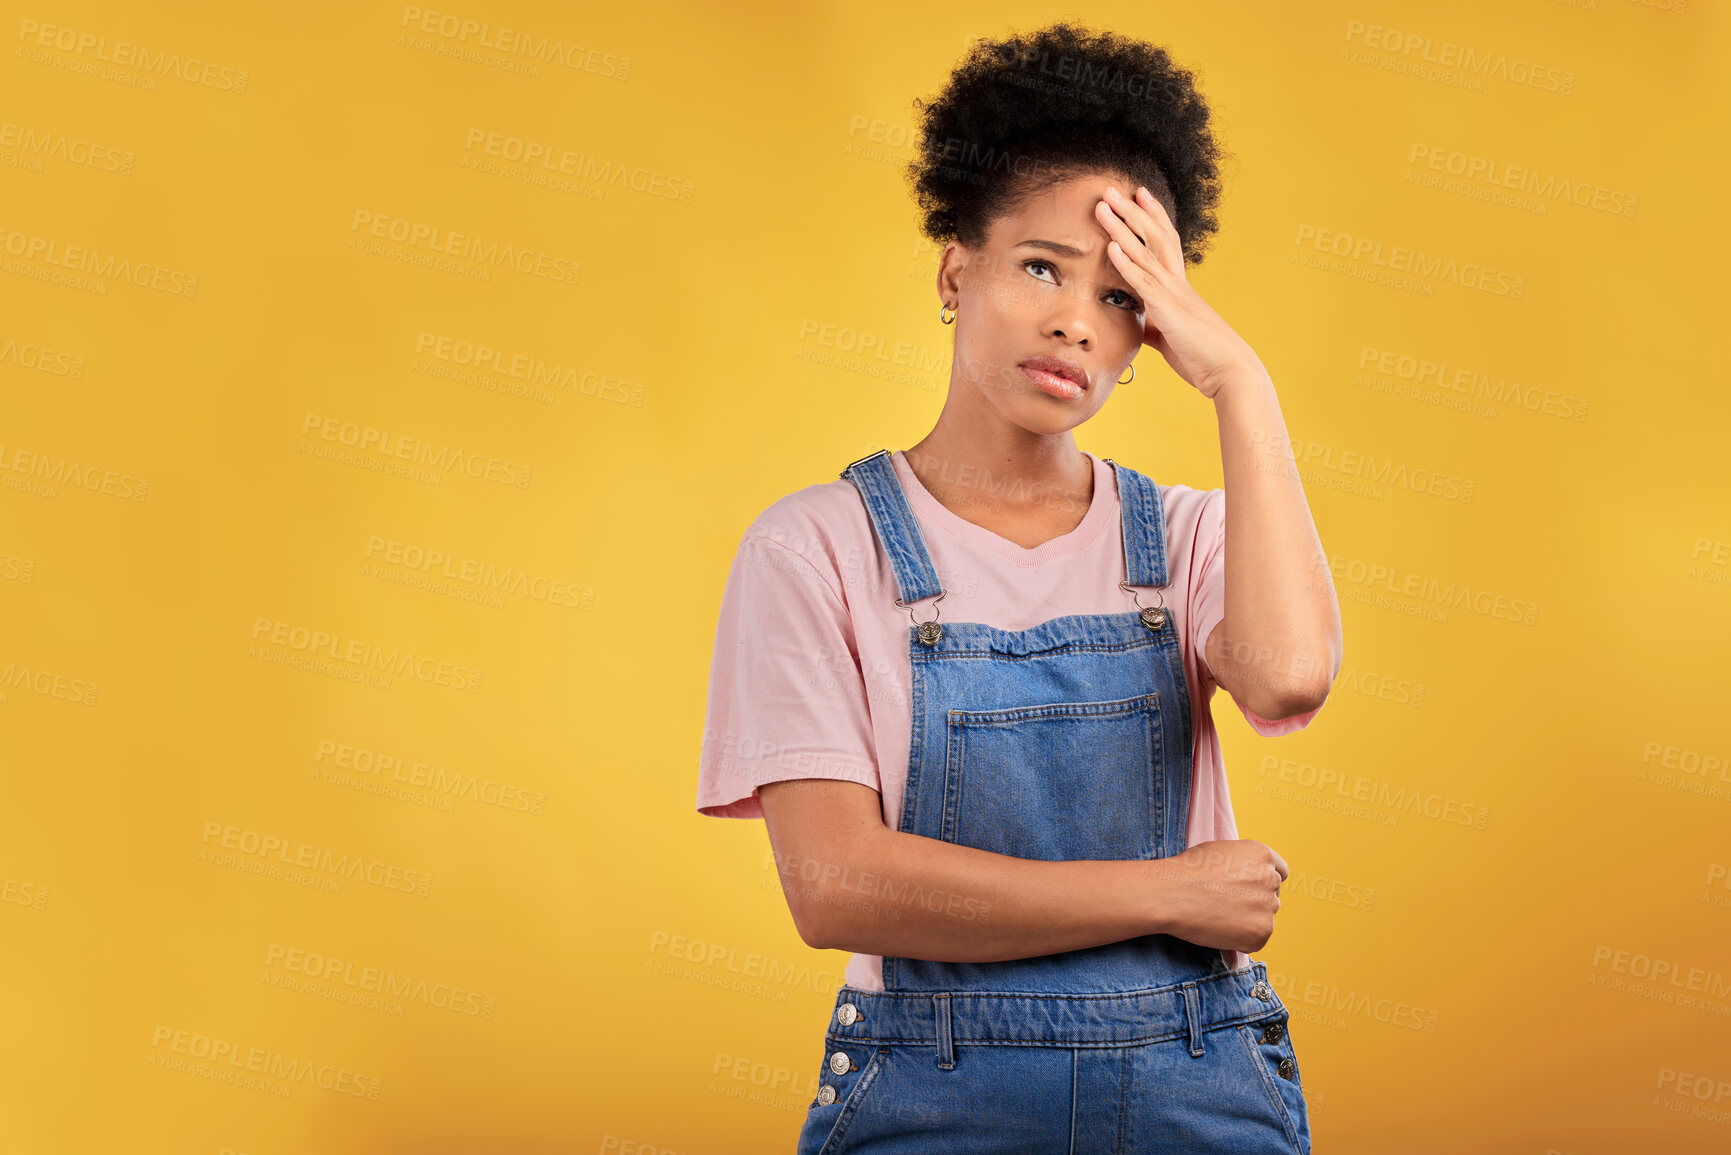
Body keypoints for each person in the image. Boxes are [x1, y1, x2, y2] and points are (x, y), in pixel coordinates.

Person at [695, 21, 1341, 1153]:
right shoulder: (815, 549)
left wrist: (1243, 382)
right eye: (1042, 266)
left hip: (1201, 1084)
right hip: (931, 1092)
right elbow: (834, 883)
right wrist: (1166, 895)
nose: (1072, 323)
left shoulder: (1188, 538)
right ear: (958, 269)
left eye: (1122, 298)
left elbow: (1288, 680)